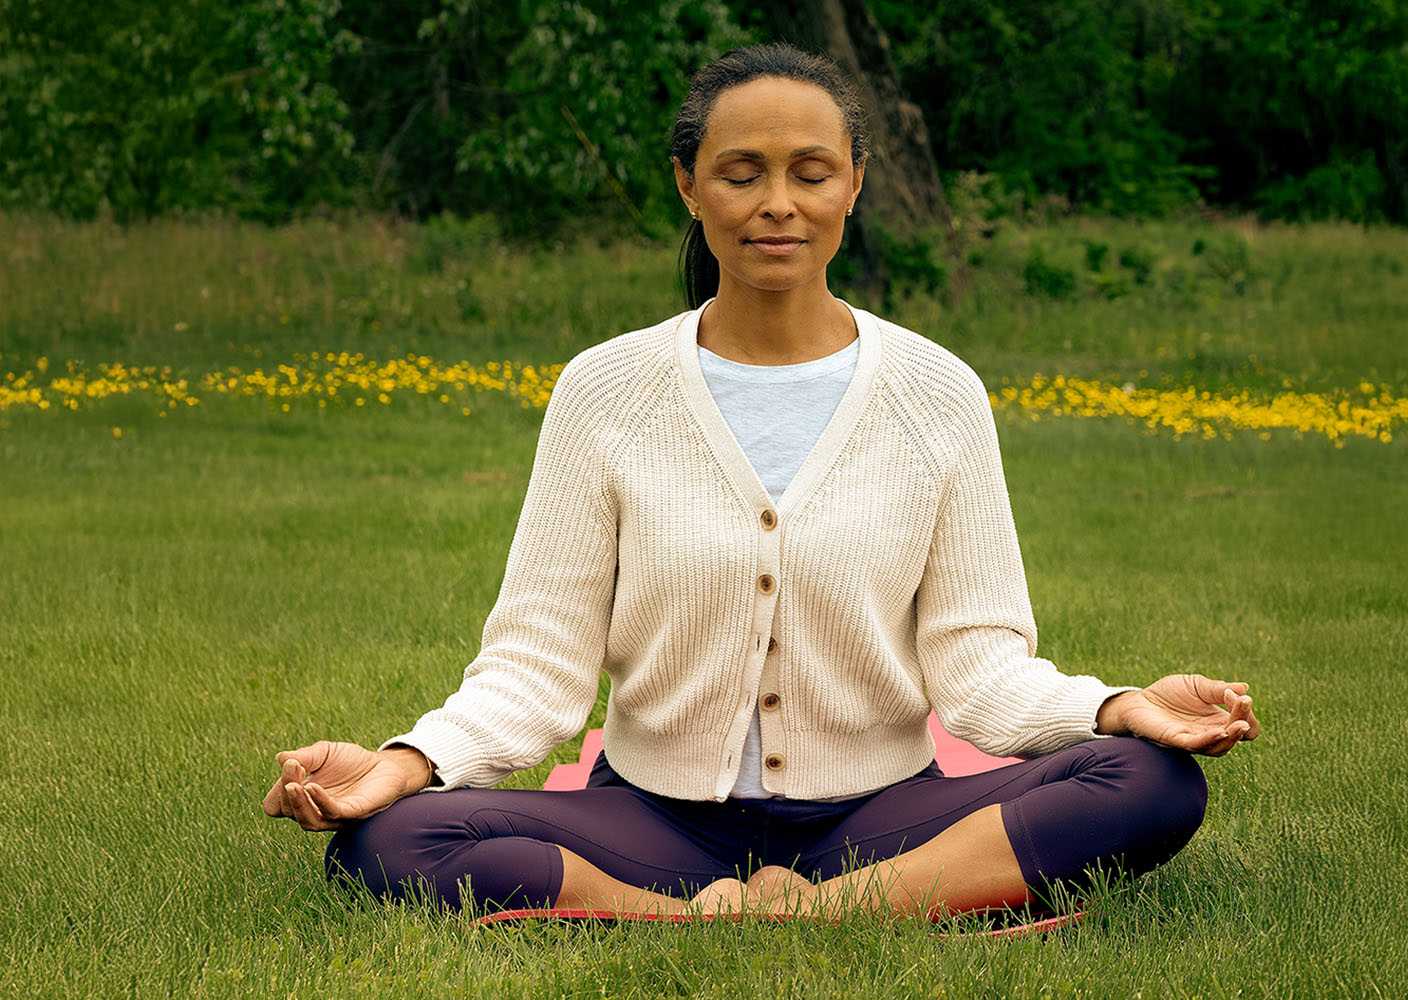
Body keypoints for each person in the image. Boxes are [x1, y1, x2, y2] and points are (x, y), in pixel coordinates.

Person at [262, 42, 1261, 922]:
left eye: (810, 172)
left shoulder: (938, 393)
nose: (778, 202)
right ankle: (694, 912)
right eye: (742, 172)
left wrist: (1119, 705)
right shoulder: (604, 391)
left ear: (853, 185)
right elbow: (536, 666)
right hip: (649, 818)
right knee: (384, 843)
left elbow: (980, 667)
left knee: (1151, 781)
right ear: (691, 186)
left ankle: (835, 907)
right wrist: (400, 765)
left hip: (884, 814)